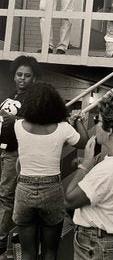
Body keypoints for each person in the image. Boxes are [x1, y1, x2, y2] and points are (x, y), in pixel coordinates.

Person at [12, 82, 88, 260]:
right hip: (52, 190)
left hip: (24, 188)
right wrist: (78, 121)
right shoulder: (64, 128)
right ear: (55, 104)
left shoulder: (18, 126)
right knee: (50, 252)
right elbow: (84, 142)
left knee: (28, 254)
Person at [65, 94, 113, 260]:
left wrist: (85, 164)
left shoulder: (108, 170)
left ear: (110, 130)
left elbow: (69, 200)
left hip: (96, 244)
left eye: (97, 121)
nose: (95, 125)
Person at [0, 55, 41, 256]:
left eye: (27, 75)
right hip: (3, 149)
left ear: (34, 78)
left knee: (6, 194)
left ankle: (0, 237)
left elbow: (34, 124)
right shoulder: (12, 95)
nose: (22, 78)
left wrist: (14, 119)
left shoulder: (34, 99)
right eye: (19, 74)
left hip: (15, 152)